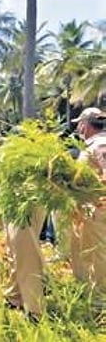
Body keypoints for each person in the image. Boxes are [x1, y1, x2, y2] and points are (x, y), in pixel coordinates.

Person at [70, 107, 106, 309]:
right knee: (88, 251)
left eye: (79, 124)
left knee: (100, 252)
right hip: (90, 209)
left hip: (99, 208)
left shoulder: (100, 143)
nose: (78, 128)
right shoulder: (92, 144)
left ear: (86, 124)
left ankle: (101, 299)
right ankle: (88, 290)